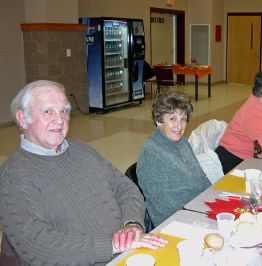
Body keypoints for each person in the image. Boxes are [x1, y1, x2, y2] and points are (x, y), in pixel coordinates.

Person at [0, 80, 166, 266]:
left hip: (127, 253)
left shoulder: (81, 149)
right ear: (23, 119)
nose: (59, 119)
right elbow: (39, 248)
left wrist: (132, 224)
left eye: (64, 111)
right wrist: (112, 245)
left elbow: (126, 188)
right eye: (48, 111)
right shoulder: (12, 178)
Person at [136, 91, 211, 227]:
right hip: (175, 222)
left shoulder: (183, 143)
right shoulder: (151, 153)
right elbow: (163, 206)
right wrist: (199, 214)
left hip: (198, 210)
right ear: (159, 121)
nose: (179, 126)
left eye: (183, 119)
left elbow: (202, 179)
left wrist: (213, 200)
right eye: (172, 119)